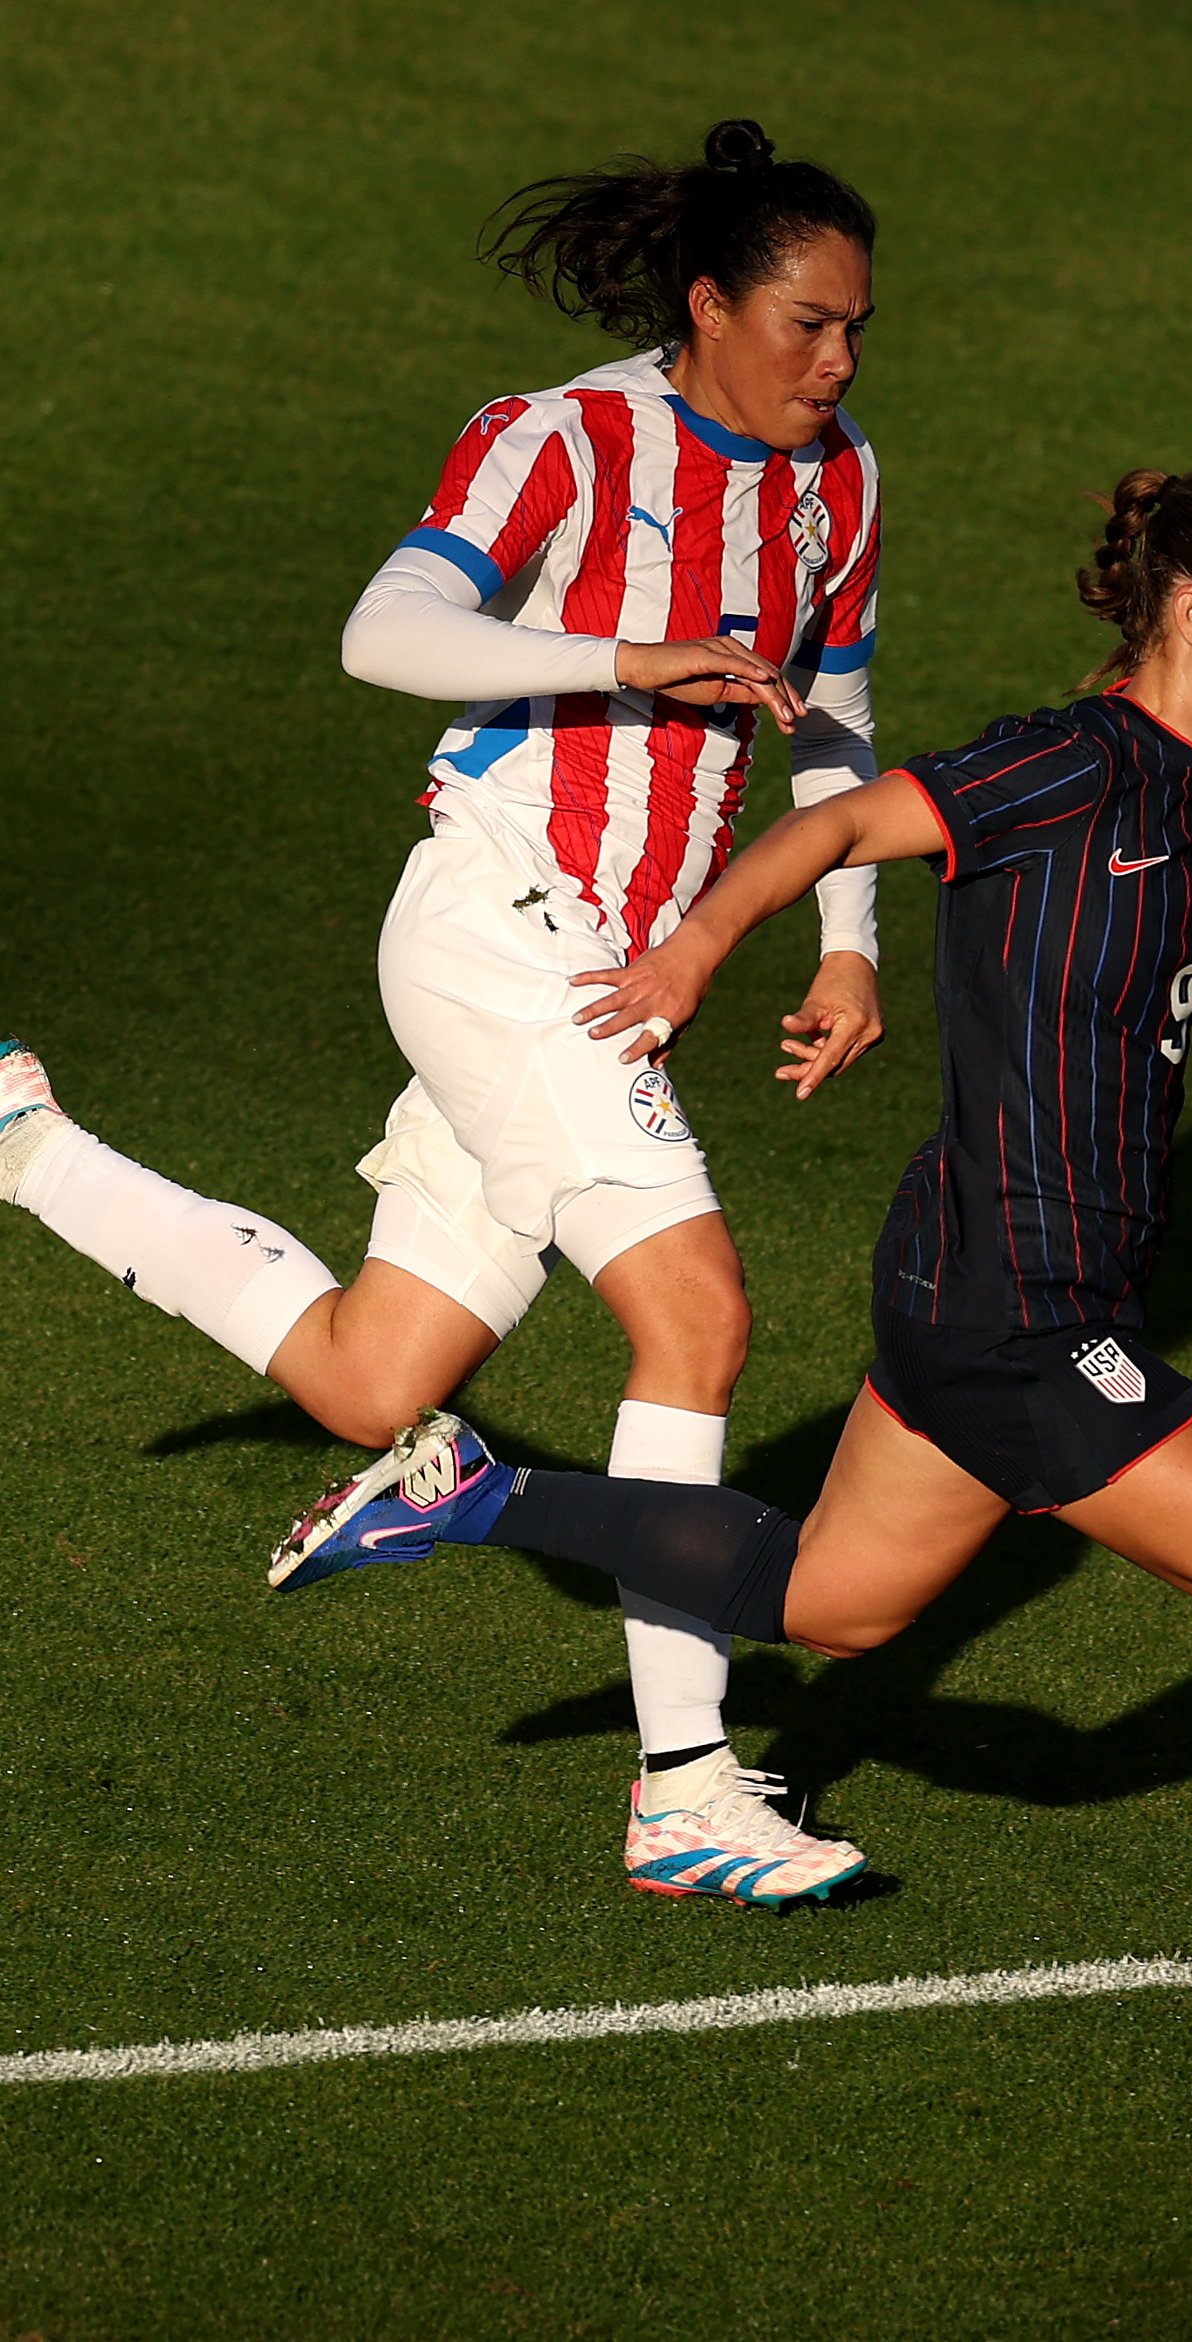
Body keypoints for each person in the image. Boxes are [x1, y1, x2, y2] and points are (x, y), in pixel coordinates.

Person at [268, 466, 1192, 2066]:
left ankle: (471, 1491)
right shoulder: (1062, 766)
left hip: (999, 1285)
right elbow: (841, 815)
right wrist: (699, 948)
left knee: (830, 1606)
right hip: (1016, 1309)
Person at [0, 120, 891, 1909]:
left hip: (611, 973)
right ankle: (686, 1787)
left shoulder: (838, 482)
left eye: (859, 326)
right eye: (804, 324)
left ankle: (22, 1141)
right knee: (697, 1321)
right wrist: (624, 658)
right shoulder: (562, 440)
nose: (837, 361)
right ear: (708, 305)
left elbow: (837, 709)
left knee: (369, 1373)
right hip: (508, 927)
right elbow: (383, 634)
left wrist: (848, 935)